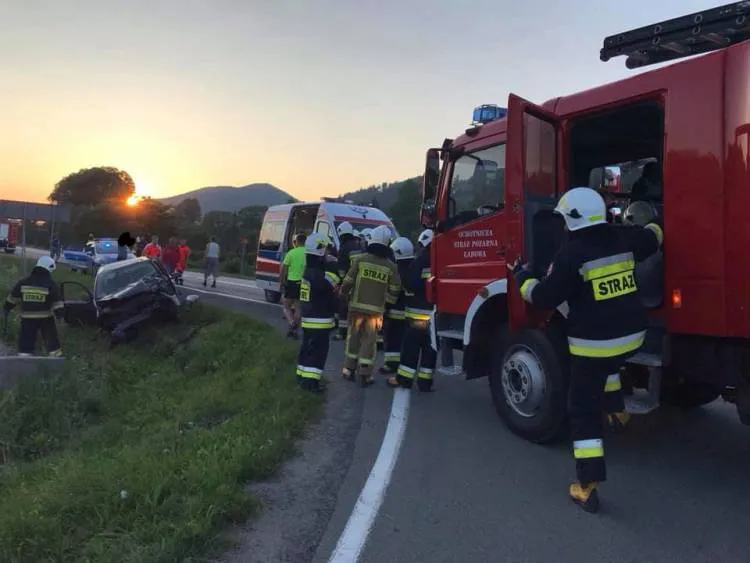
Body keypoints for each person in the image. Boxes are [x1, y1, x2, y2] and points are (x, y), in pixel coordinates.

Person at [509, 186, 663, 513]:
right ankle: (618, 412)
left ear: (573, 221)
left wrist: (522, 277)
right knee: (608, 366)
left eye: (564, 221)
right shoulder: (625, 238)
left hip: (596, 343)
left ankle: (587, 485)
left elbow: (543, 298)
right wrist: (654, 220)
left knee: (582, 410)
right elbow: (654, 237)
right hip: (634, 337)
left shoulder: (569, 255)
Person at [339, 226, 400, 386]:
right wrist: (388, 302)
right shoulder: (391, 266)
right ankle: (365, 373)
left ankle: (348, 369)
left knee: (353, 337)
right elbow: (395, 289)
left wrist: (343, 295)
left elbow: (348, 281)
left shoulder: (361, 260)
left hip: (356, 308)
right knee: (369, 341)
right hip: (375, 312)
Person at [389, 228, 436, 392]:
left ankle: (404, 379)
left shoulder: (420, 261)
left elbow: (410, 284)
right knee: (429, 349)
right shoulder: (440, 261)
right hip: (435, 316)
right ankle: (425, 382)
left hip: (417, 315)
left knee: (411, 348)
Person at [296, 233, 340, 393]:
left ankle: (301, 376)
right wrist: (333, 264)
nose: (329, 253)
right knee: (318, 353)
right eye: (327, 249)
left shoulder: (309, 271)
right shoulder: (322, 275)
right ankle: (310, 383)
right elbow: (335, 281)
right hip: (319, 321)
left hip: (309, 319)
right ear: (320, 251)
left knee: (307, 349)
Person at [3, 256, 64, 357]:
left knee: (26, 340)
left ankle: (24, 359)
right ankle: (56, 359)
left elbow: (12, 299)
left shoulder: (23, 282)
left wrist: (6, 308)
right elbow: (57, 303)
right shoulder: (51, 284)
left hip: (27, 318)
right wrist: (60, 316)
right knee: (51, 340)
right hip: (45, 318)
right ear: (48, 268)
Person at [379, 236, 414, 376]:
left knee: (392, 339)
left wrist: (385, 307)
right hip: (411, 313)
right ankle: (404, 364)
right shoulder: (414, 267)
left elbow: (391, 291)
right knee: (405, 340)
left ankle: (391, 365)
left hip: (394, 312)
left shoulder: (395, 270)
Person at [333, 222, 362, 341]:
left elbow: (342, 268)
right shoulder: (359, 246)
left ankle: (342, 333)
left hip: (349, 283)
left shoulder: (344, 248)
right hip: (361, 283)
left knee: (343, 308)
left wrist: (341, 282)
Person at [280, 233, 307, 338]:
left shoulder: (291, 253)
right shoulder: (308, 253)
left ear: (297, 242)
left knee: (286, 306)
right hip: (303, 284)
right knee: (298, 308)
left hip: (291, 282)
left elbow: (283, 268)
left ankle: (292, 323)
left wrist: (281, 282)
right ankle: (295, 331)